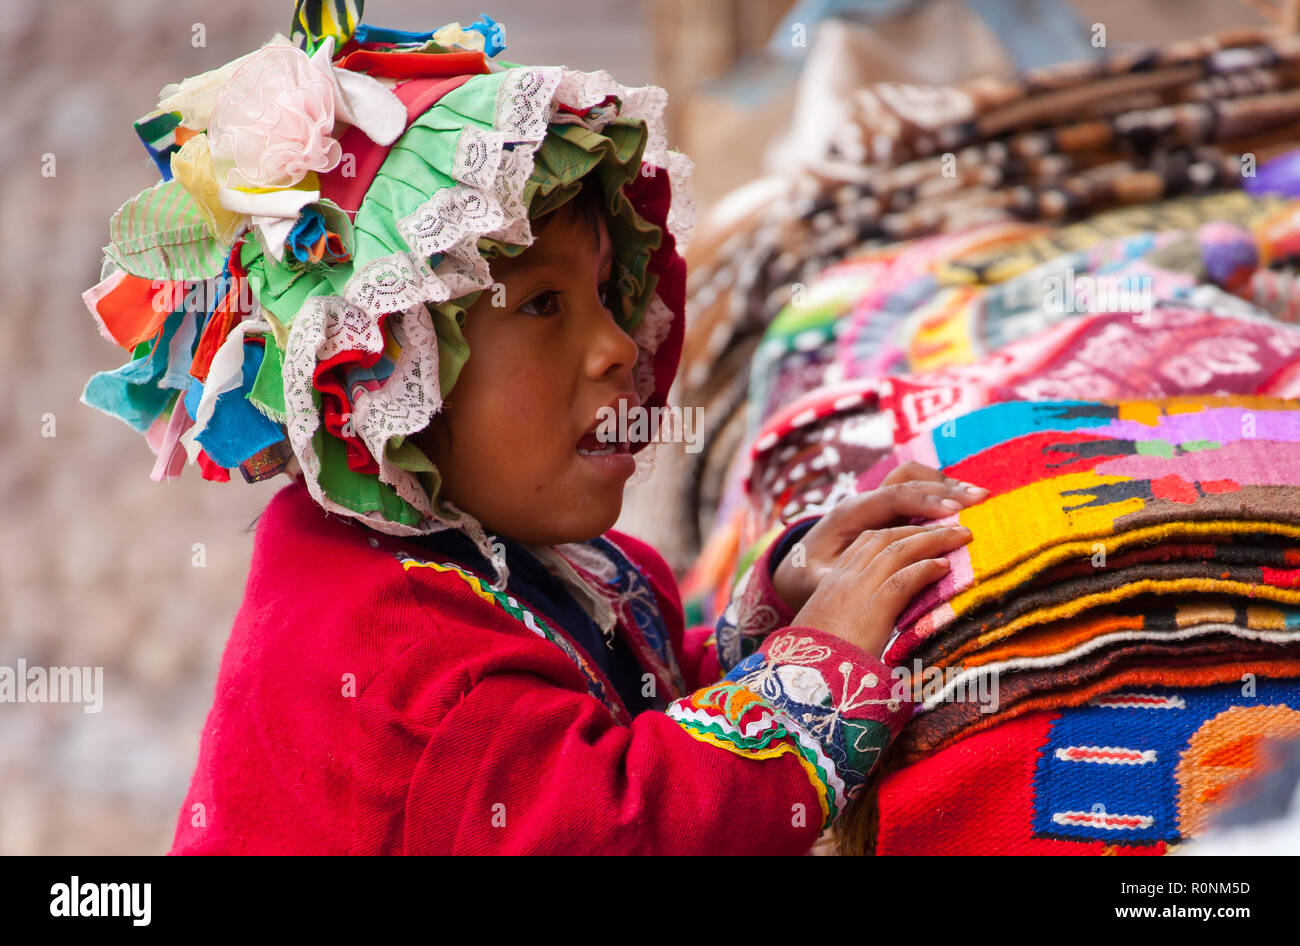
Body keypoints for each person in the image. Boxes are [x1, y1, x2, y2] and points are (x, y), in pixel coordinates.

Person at [81, 4, 985, 854]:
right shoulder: (410, 664)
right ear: (392, 374)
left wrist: (788, 607)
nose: (616, 347)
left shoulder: (499, 553)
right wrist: (816, 672)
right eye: (546, 304)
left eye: (606, 294)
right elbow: (634, 824)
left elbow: (627, 714)